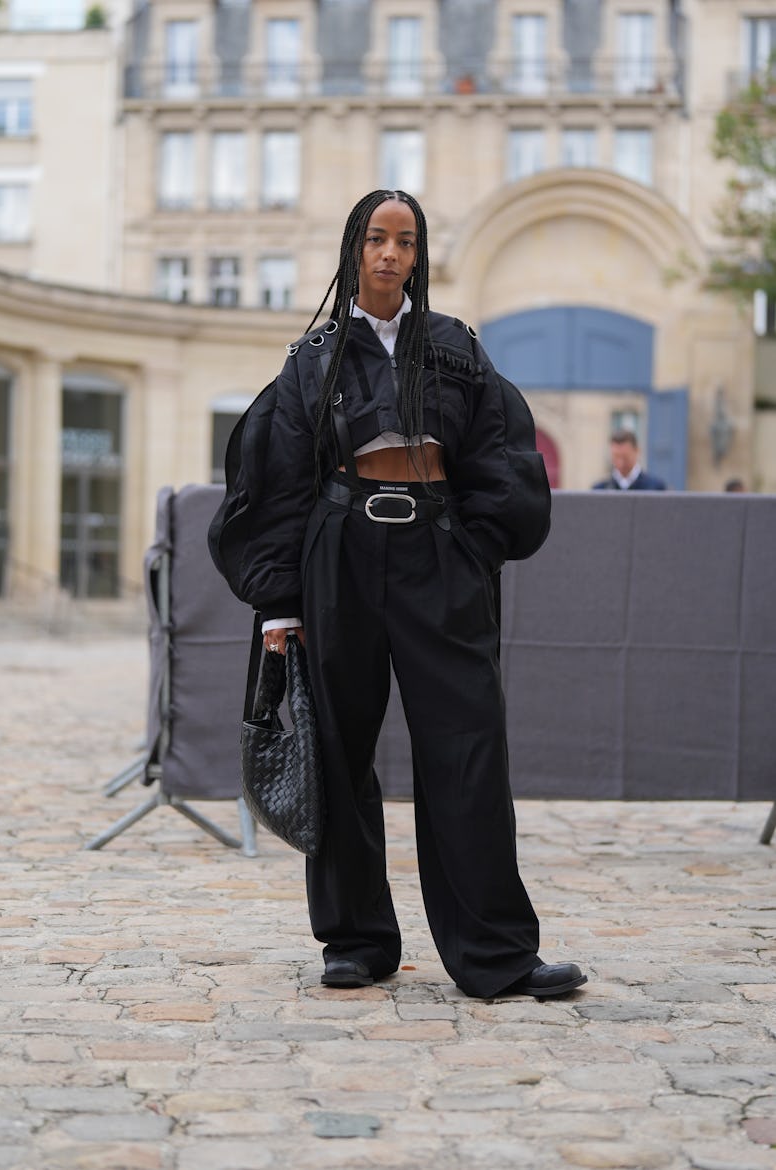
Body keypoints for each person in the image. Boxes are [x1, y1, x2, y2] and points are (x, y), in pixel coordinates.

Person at [215, 189, 587, 1001]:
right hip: (341, 556)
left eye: (406, 241)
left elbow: (499, 453)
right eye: (377, 239)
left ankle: (494, 953)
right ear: (353, 249)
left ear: (420, 255)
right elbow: (276, 487)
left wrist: (474, 545)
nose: (391, 254)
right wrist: (280, 605)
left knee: (469, 748)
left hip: (438, 557)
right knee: (340, 749)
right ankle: (355, 941)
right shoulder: (310, 357)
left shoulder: (456, 348)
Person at [593, 429, 666, 491]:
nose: (620, 463)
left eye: (625, 457)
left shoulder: (655, 488)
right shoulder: (600, 489)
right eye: (616, 457)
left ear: (637, 451)